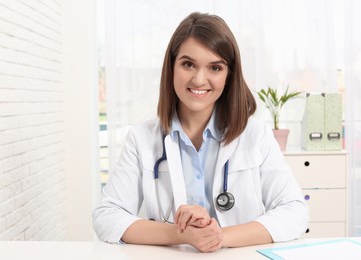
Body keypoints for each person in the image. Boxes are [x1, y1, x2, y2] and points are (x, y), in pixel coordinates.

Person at [93, 12, 308, 253]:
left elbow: (295, 212)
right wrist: (180, 233)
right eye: (188, 64)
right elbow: (107, 216)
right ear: (172, 67)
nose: (199, 79)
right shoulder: (141, 138)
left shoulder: (255, 135)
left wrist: (219, 236)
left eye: (215, 67)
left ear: (229, 75)